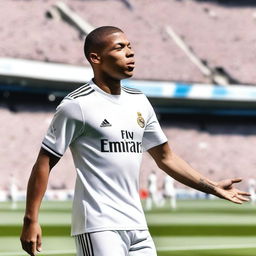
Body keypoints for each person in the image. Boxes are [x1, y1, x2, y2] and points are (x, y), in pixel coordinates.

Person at [20, 26, 250, 256]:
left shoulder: (139, 101)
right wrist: (31, 219)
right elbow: (44, 162)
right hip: (99, 225)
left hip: (137, 225)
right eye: (120, 48)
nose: (130, 53)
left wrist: (211, 187)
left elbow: (166, 158)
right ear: (95, 57)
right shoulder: (76, 105)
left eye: (130, 47)